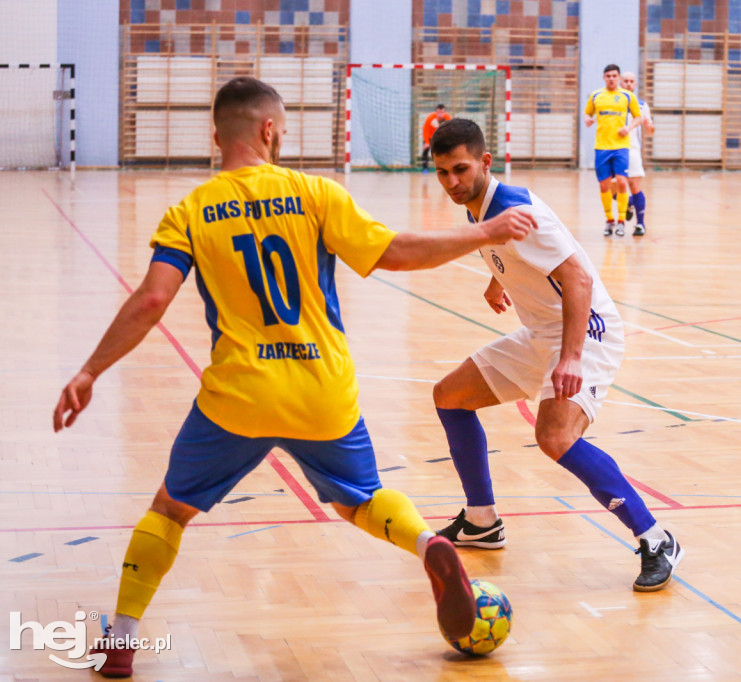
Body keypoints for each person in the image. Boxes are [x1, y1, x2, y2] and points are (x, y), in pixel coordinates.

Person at [52, 78, 537, 678]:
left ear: (215, 135)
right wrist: (484, 232)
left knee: (170, 509)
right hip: (322, 391)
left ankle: (121, 641)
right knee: (360, 500)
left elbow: (152, 300)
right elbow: (394, 252)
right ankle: (427, 545)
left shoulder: (192, 211)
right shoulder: (312, 193)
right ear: (269, 130)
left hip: (238, 398)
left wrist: (90, 370)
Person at [427, 118, 684, 593]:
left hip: (586, 331)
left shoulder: (513, 207)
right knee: (450, 396)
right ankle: (481, 521)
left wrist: (570, 358)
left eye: (460, 169)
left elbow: (579, 279)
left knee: (555, 437)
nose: (452, 182)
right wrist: (497, 278)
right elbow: (515, 252)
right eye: (442, 173)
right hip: (542, 331)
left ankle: (655, 537)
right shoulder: (480, 207)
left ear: (485, 161)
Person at [583, 64, 641, 237]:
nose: (611, 79)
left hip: (621, 146)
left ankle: (622, 221)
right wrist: (588, 120)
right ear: (604, 78)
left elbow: (638, 117)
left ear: (618, 78)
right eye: (608, 76)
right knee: (604, 185)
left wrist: (628, 128)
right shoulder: (596, 96)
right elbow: (587, 114)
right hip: (601, 146)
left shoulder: (627, 96)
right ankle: (609, 220)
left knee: (622, 182)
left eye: (614, 76)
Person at [619, 71, 655, 237]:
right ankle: (629, 202)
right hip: (612, 149)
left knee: (634, 186)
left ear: (635, 84)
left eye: (631, 81)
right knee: (613, 189)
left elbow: (650, 131)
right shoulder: (611, 101)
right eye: (625, 81)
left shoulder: (641, 105)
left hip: (632, 149)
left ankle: (640, 224)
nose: (628, 84)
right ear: (620, 83)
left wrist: (648, 126)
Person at [422, 103, 451, 172]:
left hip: (440, 138)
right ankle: (425, 168)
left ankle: (444, 167)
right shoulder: (430, 118)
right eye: (438, 112)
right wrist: (426, 142)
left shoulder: (448, 118)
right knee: (425, 151)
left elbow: (450, 130)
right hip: (430, 137)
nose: (440, 114)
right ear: (436, 112)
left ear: (445, 112)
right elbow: (425, 130)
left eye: (442, 112)